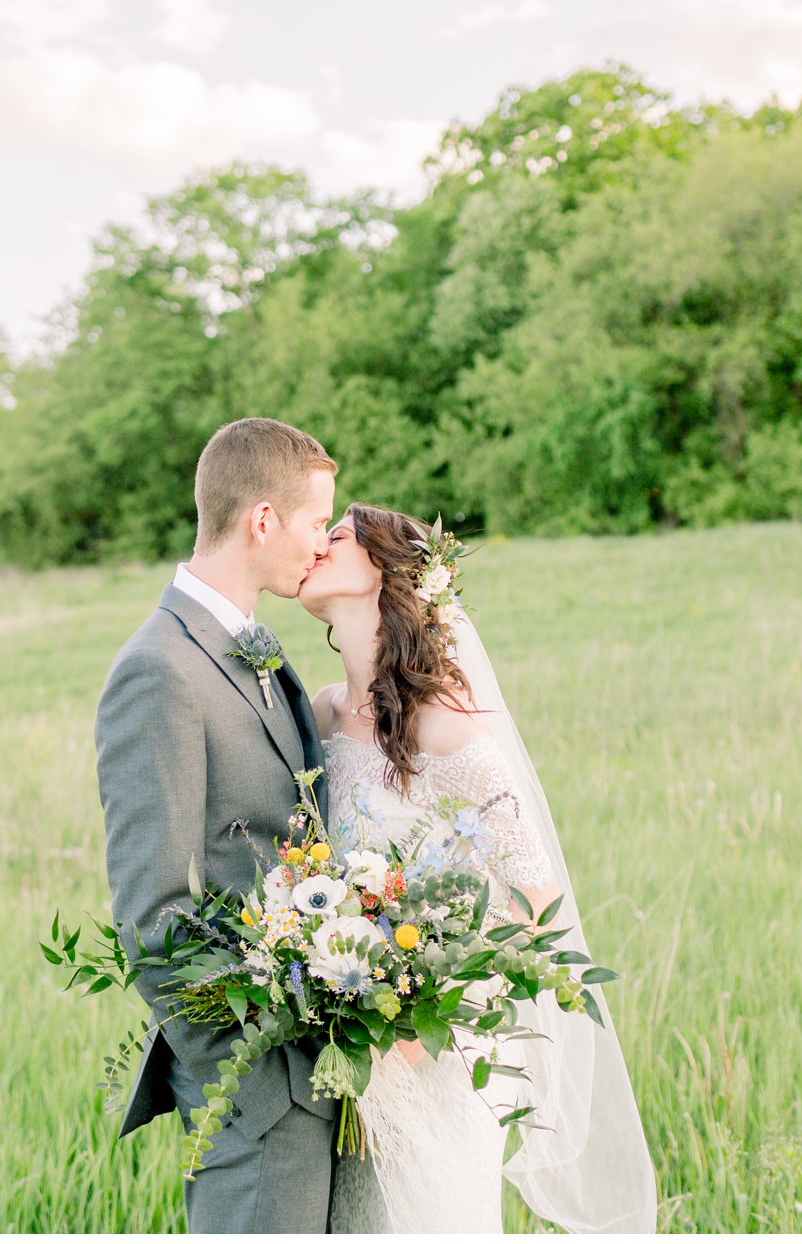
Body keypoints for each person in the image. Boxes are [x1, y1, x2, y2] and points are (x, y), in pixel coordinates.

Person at [298, 503, 659, 1234]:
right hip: (339, 1042)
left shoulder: (451, 730)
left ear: (387, 572)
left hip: (436, 1049)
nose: (317, 545)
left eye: (337, 536)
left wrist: (425, 998)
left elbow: (536, 895)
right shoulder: (320, 714)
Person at [94, 417, 343, 1233]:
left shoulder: (254, 643)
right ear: (262, 520)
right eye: (315, 523)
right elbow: (152, 914)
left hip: (324, 1069)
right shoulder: (158, 670)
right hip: (258, 1093)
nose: (323, 543)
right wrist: (249, 1079)